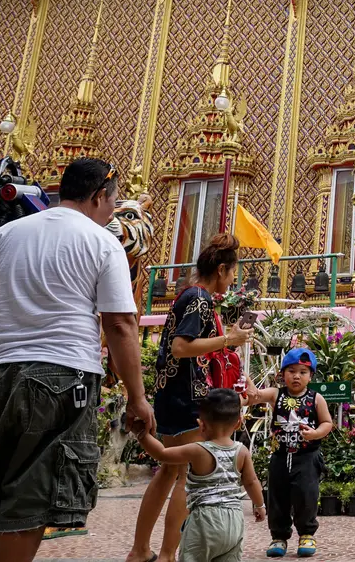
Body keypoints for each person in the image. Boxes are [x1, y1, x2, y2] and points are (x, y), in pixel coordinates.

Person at [0, 158, 155, 562]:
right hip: (62, 377)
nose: (113, 208)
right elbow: (121, 324)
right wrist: (137, 397)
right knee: (30, 503)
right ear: (99, 195)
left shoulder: (1, 236)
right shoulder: (102, 241)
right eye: (114, 199)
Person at [127, 234, 251, 562]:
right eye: (233, 271)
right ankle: (168, 555)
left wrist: (226, 341)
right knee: (185, 474)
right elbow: (182, 347)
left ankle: (140, 550)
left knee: (168, 469)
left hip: (172, 392)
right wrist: (227, 339)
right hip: (187, 395)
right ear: (222, 269)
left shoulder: (189, 294)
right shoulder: (199, 298)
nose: (233, 278)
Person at [132, 388, 265, 562]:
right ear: (239, 423)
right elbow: (251, 481)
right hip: (234, 519)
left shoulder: (198, 450)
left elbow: (163, 454)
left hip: (204, 521)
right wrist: (259, 505)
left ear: (201, 424)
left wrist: (142, 434)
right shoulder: (242, 451)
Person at [245, 348, 332, 558]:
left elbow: (327, 423)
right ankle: (279, 537)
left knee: (306, 495)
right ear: (282, 374)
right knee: (277, 497)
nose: (296, 376)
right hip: (280, 457)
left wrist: (315, 434)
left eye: (303, 372)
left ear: (310, 375)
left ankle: (307, 534)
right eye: (291, 371)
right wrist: (246, 381)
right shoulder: (276, 394)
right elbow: (255, 396)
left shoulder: (316, 398)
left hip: (307, 458)